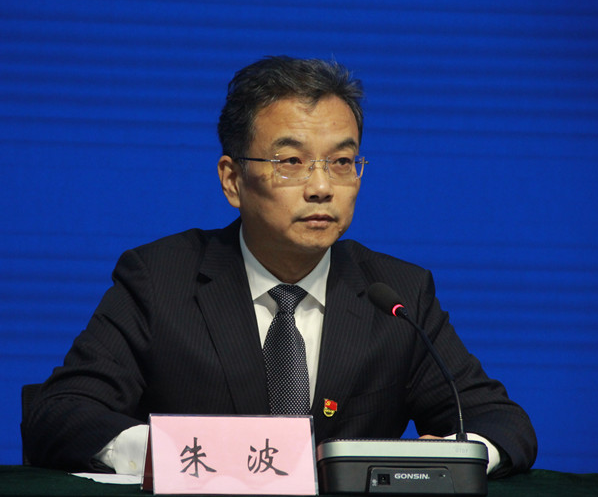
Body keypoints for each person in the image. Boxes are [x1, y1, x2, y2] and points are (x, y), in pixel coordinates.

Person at [22, 55, 537, 478]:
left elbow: (501, 422)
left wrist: (452, 456)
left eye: (341, 162)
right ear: (232, 181)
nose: (322, 187)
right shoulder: (159, 279)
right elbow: (61, 412)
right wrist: (174, 454)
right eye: (291, 162)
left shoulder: (397, 292)